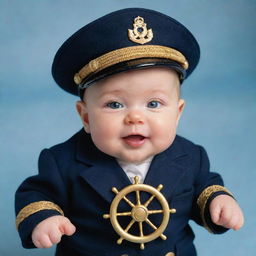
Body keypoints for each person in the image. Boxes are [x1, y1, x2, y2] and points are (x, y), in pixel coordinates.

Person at [15, 8, 244, 256]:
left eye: (153, 104)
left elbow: (205, 187)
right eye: (115, 104)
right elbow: (36, 194)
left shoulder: (191, 157)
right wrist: (45, 218)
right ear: (86, 117)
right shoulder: (63, 161)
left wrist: (217, 203)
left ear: (177, 114)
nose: (135, 117)